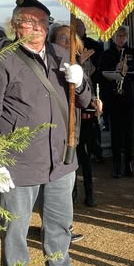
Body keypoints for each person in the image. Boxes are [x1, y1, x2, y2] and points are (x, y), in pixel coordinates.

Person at [0, 0, 94, 266]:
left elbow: (85, 101)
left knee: (59, 225)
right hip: (18, 165)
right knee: (15, 231)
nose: (37, 27)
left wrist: (80, 81)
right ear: (15, 25)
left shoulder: (62, 54)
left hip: (60, 160)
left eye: (42, 22)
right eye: (28, 22)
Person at [49, 24, 102, 208]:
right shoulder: (48, 65)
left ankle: (89, 194)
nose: (67, 43)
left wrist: (94, 100)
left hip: (81, 123)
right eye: (62, 39)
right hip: (59, 128)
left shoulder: (79, 63)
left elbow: (87, 89)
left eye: (71, 40)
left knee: (84, 159)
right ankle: (69, 198)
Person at [98, 26, 134, 178]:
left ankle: (129, 163)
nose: (121, 39)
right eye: (118, 36)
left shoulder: (133, 52)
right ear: (113, 37)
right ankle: (117, 165)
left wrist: (128, 68)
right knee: (116, 132)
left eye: (124, 36)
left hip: (129, 96)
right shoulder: (107, 54)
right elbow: (101, 73)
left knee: (130, 131)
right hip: (114, 98)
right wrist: (114, 69)